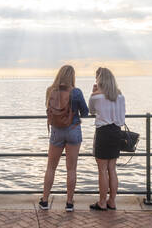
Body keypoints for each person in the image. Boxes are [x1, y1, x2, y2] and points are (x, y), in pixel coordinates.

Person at [39, 65, 89, 212]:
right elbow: (85, 113)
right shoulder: (76, 92)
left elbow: (48, 108)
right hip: (73, 130)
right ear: (72, 76)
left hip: (56, 131)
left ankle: (44, 200)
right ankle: (69, 203)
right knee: (71, 169)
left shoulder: (50, 90)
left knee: (51, 167)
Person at [88, 67, 125, 211]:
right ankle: (112, 201)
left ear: (100, 80)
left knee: (102, 170)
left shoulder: (96, 97)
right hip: (116, 131)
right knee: (112, 169)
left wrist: (93, 92)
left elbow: (91, 111)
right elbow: (122, 116)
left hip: (103, 132)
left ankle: (102, 202)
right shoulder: (120, 96)